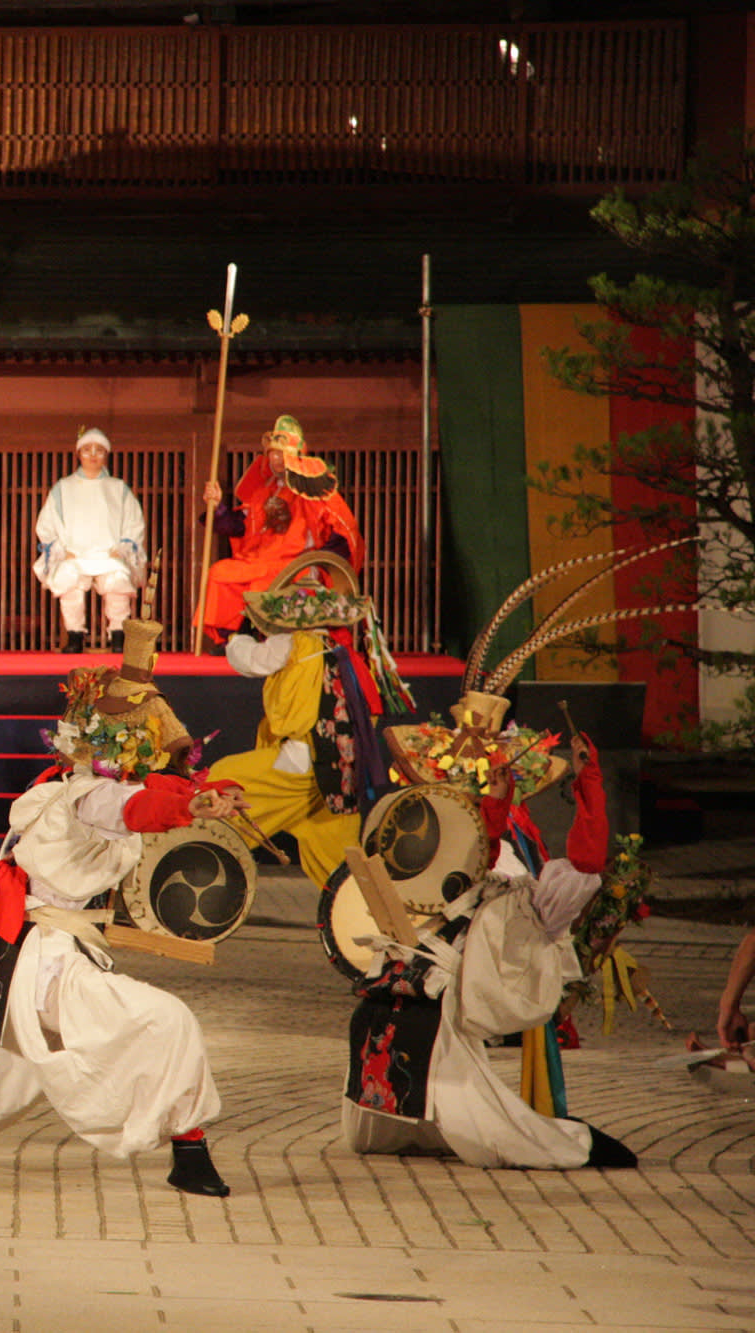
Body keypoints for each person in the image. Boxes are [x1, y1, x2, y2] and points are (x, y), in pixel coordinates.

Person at [0, 620, 242, 1197]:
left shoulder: (63, 782)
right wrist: (196, 805)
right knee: (166, 1020)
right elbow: (134, 808)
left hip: (25, 951)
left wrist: (201, 793)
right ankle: (190, 1149)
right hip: (47, 964)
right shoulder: (91, 794)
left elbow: (149, 793)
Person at [343, 733, 637, 1171]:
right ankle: (406, 1127)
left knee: (462, 1092)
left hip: (451, 996)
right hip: (424, 979)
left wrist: (587, 784)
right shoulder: (471, 869)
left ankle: (570, 1144)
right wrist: (496, 805)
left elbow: (587, 863)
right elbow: (483, 851)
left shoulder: (542, 899)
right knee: (378, 1016)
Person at [205, 574, 405, 898]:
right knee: (338, 855)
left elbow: (250, 661)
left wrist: (239, 635)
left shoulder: (297, 643)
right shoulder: (344, 652)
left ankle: (202, 855)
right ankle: (371, 909)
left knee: (223, 778)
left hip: (303, 762)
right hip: (341, 771)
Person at [198, 415, 363, 647]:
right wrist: (218, 507)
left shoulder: (312, 491)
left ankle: (263, 638)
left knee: (263, 585)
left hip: (293, 564)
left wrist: (319, 559)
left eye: (282, 453)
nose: (277, 459)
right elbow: (240, 525)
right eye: (273, 453)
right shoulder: (265, 491)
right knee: (220, 573)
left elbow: (343, 528)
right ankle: (232, 639)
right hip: (259, 561)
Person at [33, 427, 147, 653]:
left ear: (106, 454)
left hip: (108, 552)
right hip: (74, 553)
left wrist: (123, 547)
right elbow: (47, 523)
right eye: (87, 450)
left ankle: (118, 635)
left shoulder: (118, 488)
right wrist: (59, 549)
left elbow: (134, 522)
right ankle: (74, 636)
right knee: (68, 579)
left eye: (99, 450)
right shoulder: (63, 488)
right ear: (78, 454)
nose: (93, 455)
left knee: (117, 580)